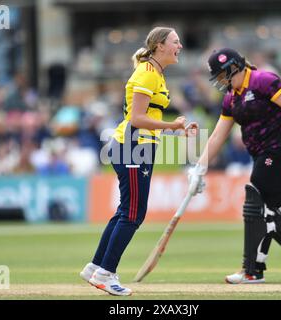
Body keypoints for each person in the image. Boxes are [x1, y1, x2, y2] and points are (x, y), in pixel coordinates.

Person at [188, 48, 281, 284]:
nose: (220, 81)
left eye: (221, 75)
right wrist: (199, 168)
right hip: (261, 155)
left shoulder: (263, 81)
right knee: (269, 213)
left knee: (256, 201)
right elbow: (218, 136)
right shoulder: (232, 97)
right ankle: (254, 271)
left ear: (233, 67)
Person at [79, 27, 197, 296]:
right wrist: (172, 126)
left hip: (135, 147)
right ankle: (105, 274)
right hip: (133, 147)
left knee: (125, 211)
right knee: (133, 214)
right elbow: (137, 119)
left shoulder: (154, 73)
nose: (180, 46)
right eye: (175, 42)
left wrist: (173, 127)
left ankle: (96, 266)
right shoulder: (146, 73)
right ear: (159, 46)